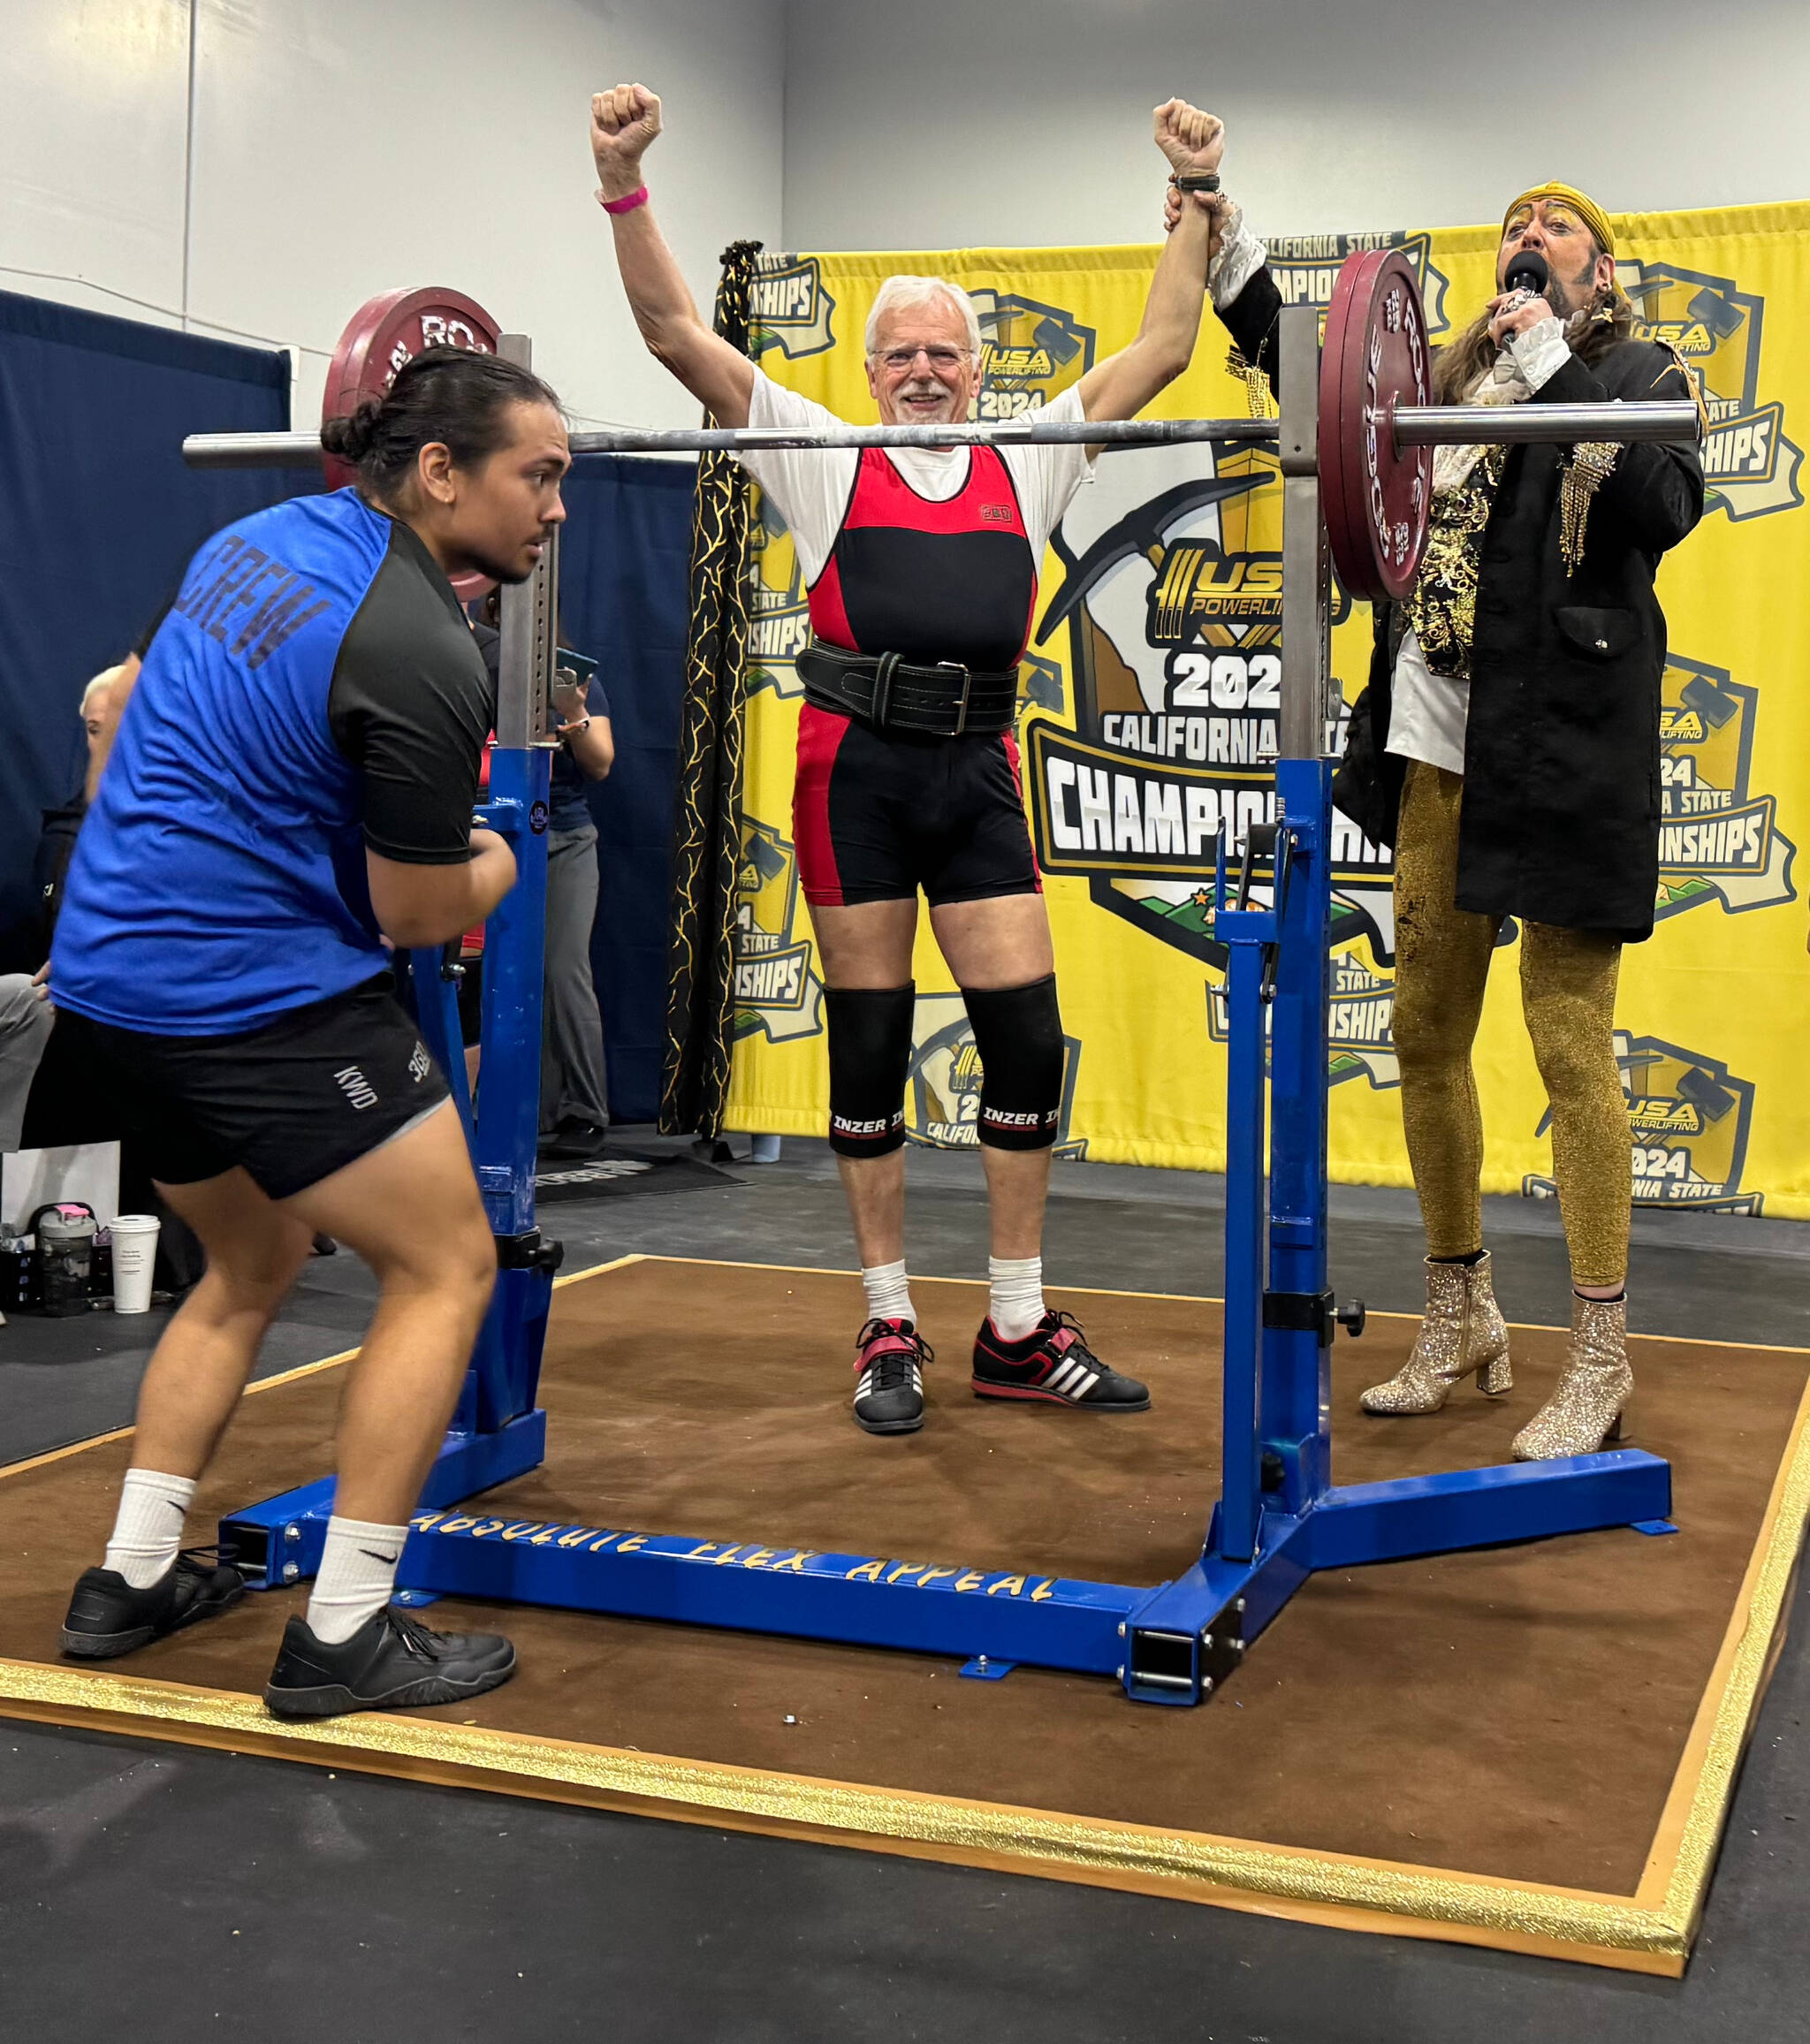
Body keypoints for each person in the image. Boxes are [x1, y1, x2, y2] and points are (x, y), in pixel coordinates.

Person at [592, 81, 1231, 1433]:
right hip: (857, 775)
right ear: (873, 371)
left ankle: (1011, 1322)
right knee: (871, 1049)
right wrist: (623, 179)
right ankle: (888, 1322)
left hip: (978, 771)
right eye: (905, 357)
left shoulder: (1030, 452)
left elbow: (1166, 347)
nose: (928, 374)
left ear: (978, 367)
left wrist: (1195, 195)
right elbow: (670, 333)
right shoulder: (821, 450)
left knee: (1023, 1043)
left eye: (948, 354)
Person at [48, 345, 571, 1717]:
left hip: (103, 981)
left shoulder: (253, 537)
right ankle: (346, 1631)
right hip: (251, 1000)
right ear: (442, 472)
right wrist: (501, 863)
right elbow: (414, 913)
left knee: (252, 1254)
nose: (556, 507)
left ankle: (132, 1572)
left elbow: (132, 728)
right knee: (445, 1264)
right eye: (540, 475)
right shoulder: (419, 645)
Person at [1180, 172, 1703, 1457]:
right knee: (1422, 1031)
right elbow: (1313, 378)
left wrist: (1553, 373)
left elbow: (1665, 507)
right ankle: (1461, 1310)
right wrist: (1216, 216)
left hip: (1568, 748)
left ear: (1606, 270)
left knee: (1569, 1041)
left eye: (1560, 226)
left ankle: (1598, 1354)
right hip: (1436, 742)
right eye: (1515, 229)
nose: (1530, 241)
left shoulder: (1636, 367)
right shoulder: (1445, 377)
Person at [470, 606, 616, 1157]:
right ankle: (509, 1106)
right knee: (487, 974)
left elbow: (600, 762)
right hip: (488, 836)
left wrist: (573, 713)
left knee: (562, 970)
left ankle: (583, 1109)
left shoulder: (571, 678)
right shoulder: (470, 668)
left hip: (563, 838)